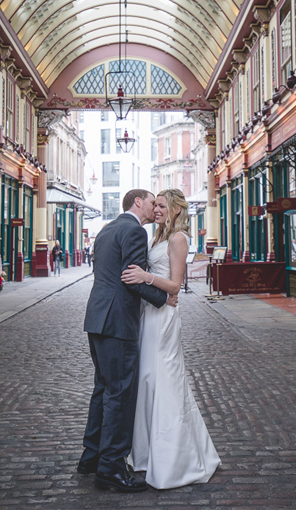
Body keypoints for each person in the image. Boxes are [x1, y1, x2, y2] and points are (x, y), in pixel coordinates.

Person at [121, 189, 221, 489]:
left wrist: (145, 277)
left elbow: (175, 285)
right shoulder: (157, 236)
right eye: (156, 205)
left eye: (162, 206)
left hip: (163, 319)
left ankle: (174, 459)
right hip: (149, 315)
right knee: (148, 380)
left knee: (162, 379)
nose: (157, 210)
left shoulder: (179, 239)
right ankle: (147, 453)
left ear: (176, 210)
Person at [79, 189, 174, 493]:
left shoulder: (107, 229)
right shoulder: (134, 231)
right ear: (138, 202)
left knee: (103, 390)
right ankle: (111, 468)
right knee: (120, 394)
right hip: (118, 321)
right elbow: (131, 277)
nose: (154, 207)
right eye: (151, 201)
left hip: (97, 318)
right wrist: (164, 297)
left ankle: (90, 457)